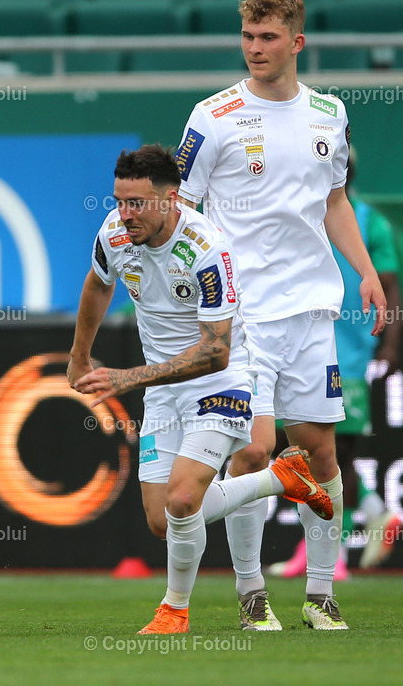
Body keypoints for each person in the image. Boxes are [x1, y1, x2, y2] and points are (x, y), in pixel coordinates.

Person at [174, 0, 387, 631]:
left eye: (268, 37)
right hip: (242, 317)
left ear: (297, 41)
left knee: (320, 455)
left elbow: (335, 202)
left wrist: (367, 272)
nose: (255, 48)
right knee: (252, 451)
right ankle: (251, 593)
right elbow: (180, 211)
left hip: (312, 314)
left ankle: (322, 595)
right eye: (247, 36)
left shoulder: (329, 112)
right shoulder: (212, 116)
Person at [69, 145, 332, 634]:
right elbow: (99, 284)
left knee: (184, 499)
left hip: (219, 382)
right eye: (120, 201)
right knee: (161, 521)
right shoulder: (114, 233)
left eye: (137, 203)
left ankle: (175, 611)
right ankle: (281, 478)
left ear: (171, 199)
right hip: (162, 389)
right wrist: (79, 356)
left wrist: (128, 377)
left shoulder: (207, 247)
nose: (125, 214)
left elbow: (216, 351)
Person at [269, 149, 403, 576]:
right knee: (304, 448)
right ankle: (373, 513)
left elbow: (389, 285)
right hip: (299, 342)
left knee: (335, 450)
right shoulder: (297, 212)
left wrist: (390, 348)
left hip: (348, 351)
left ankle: (333, 553)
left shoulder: (367, 220)